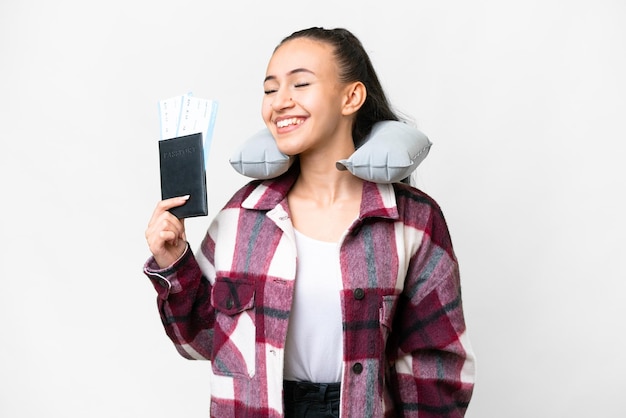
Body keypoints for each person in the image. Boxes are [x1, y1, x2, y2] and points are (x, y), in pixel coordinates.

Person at [144, 27, 475, 418]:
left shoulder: (414, 220)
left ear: (351, 97)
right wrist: (173, 261)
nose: (280, 102)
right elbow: (199, 341)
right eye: (270, 90)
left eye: (300, 84)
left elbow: (437, 366)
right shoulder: (241, 215)